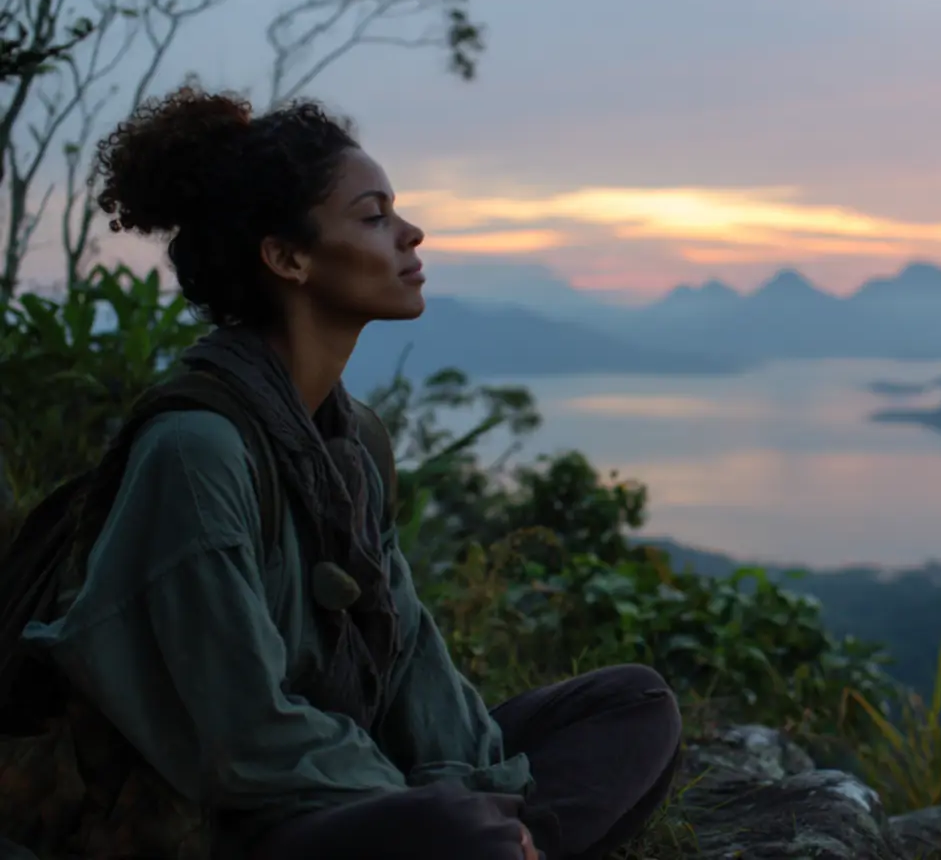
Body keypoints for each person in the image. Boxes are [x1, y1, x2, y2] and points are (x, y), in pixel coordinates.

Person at [13, 85, 681, 860]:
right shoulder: (194, 452)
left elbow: (409, 656)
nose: (411, 233)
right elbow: (238, 734)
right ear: (287, 257)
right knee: (450, 832)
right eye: (374, 216)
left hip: (359, 786)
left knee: (635, 703)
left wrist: (463, 779)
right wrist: (426, 805)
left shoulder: (350, 438)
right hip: (235, 818)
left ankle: (509, 845)